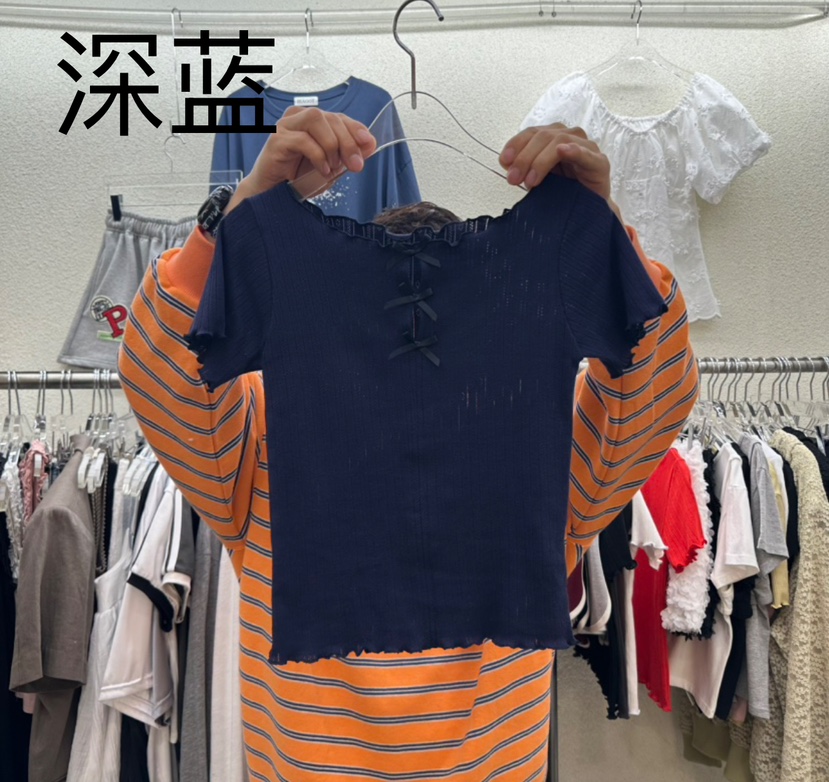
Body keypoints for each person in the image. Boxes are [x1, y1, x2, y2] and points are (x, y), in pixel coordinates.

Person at [118, 106, 699, 781]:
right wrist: (237, 221)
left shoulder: (541, 452)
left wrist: (600, 238)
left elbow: (652, 392)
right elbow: (165, 374)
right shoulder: (269, 446)